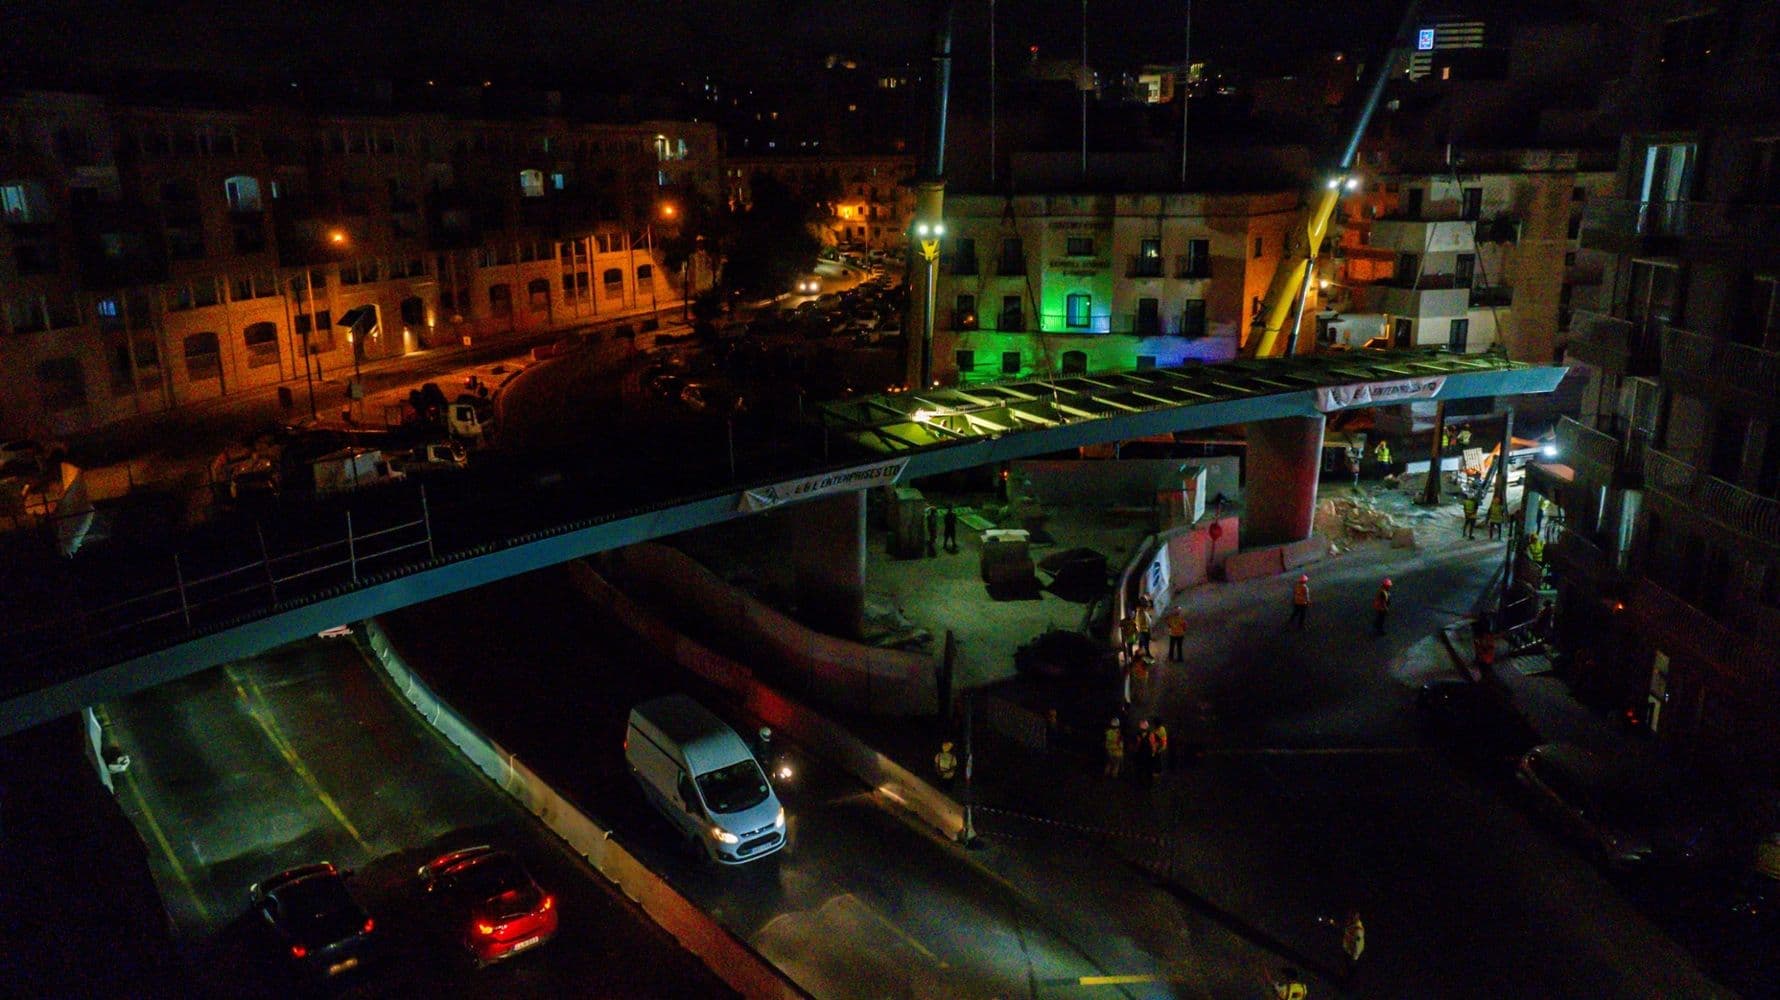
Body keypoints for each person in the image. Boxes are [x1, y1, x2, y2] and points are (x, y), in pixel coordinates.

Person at [1340, 911, 1366, 983]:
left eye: (1352, 916)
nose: (1350, 918)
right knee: (1346, 969)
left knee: (1350, 971)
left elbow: (1359, 945)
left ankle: (1349, 985)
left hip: (1352, 954)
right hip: (1348, 951)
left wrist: (1355, 957)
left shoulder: (1358, 930)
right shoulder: (1352, 925)